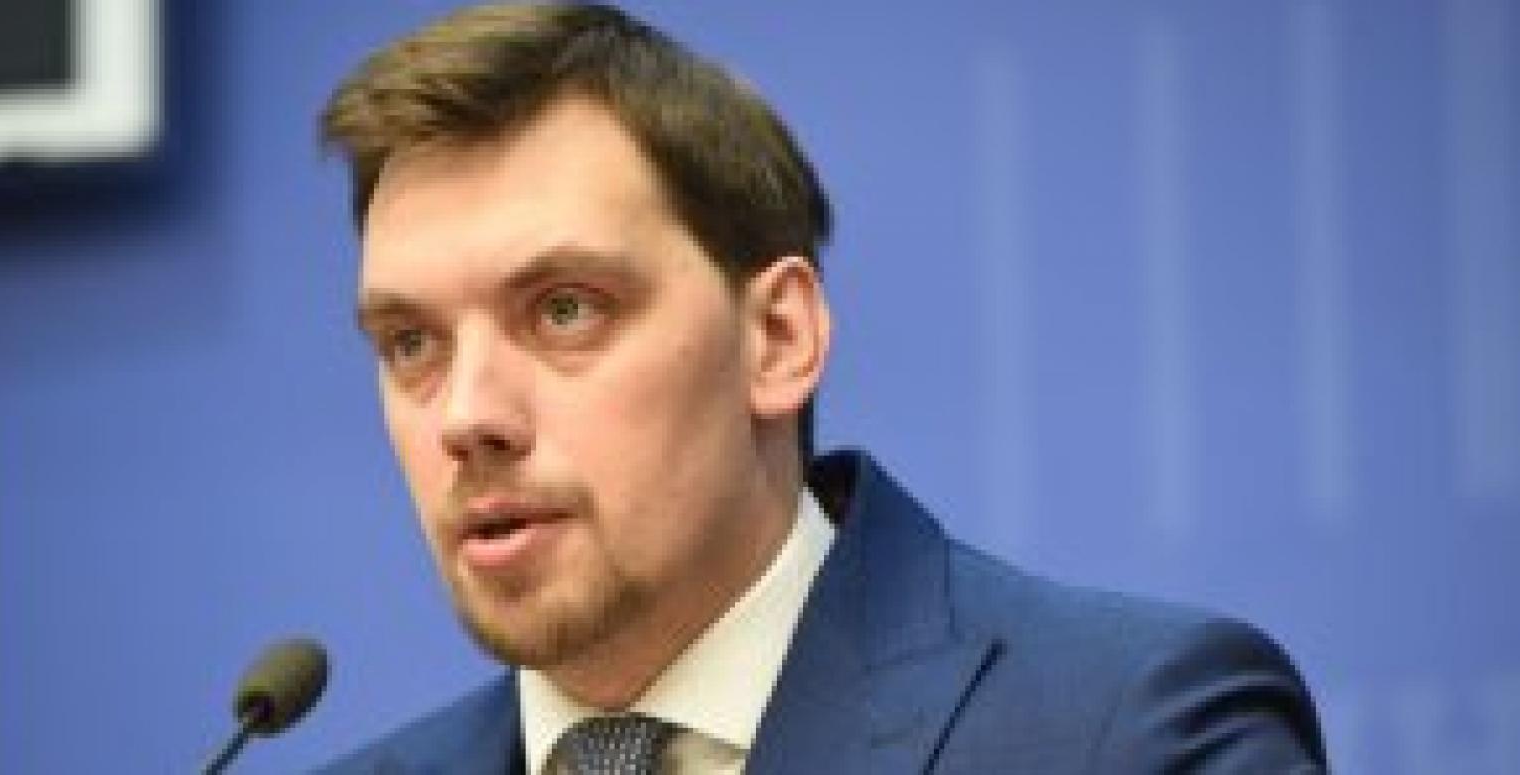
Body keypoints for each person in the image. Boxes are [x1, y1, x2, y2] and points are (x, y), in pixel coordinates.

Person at [314, 3, 1328, 773]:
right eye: (411, 343)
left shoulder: (1133, 733)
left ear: (778, 338)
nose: (467, 415)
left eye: (565, 309)